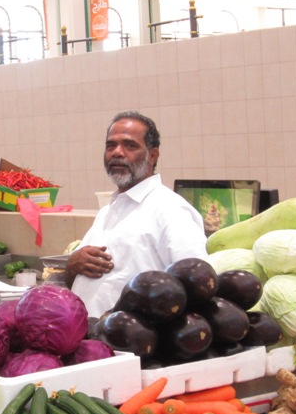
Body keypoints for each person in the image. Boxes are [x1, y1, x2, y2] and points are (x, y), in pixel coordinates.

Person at [66, 111, 207, 318]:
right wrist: (72, 266)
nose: (117, 152)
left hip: (136, 343)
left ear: (153, 155)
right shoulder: (108, 211)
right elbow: (86, 283)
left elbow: (199, 288)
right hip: (92, 340)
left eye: (130, 145)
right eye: (110, 145)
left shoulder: (170, 211)